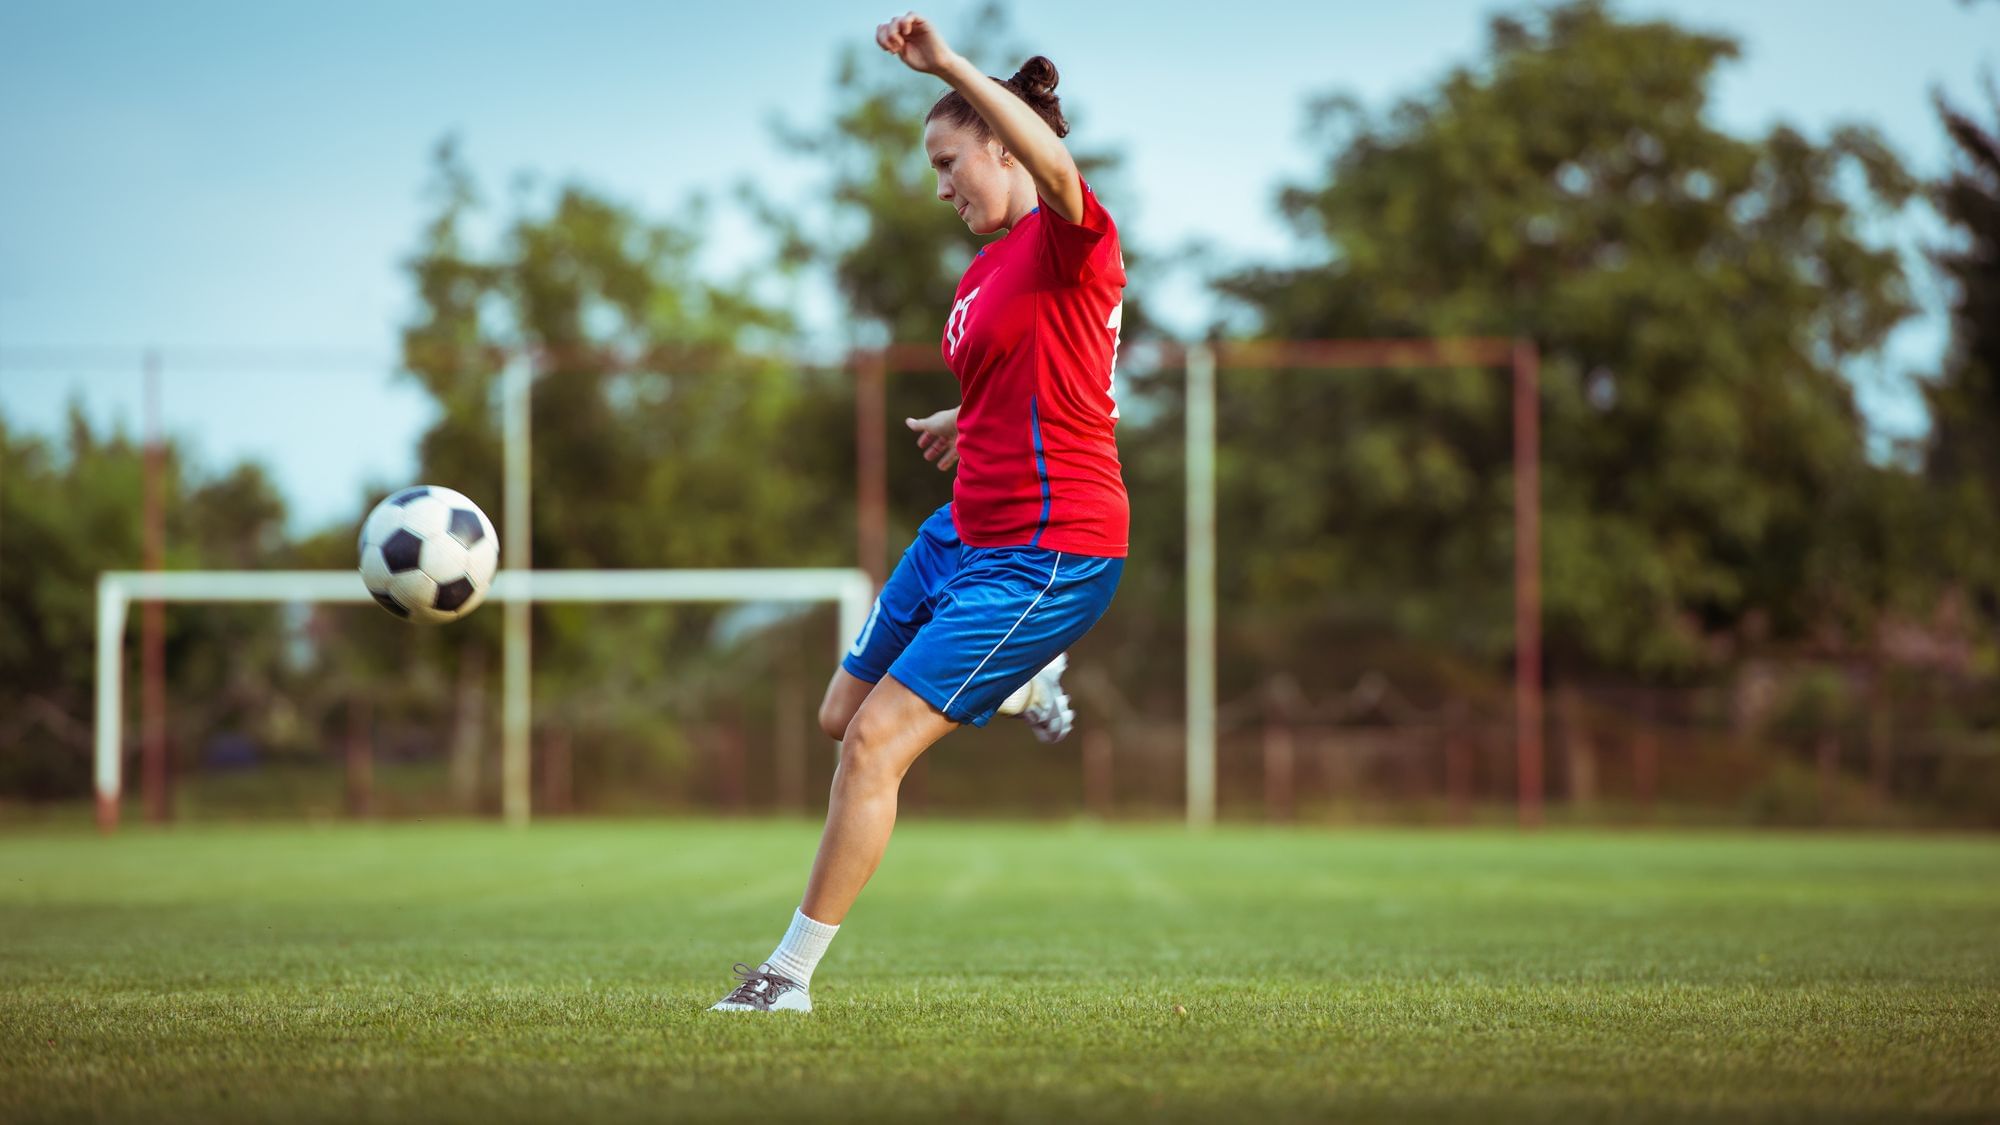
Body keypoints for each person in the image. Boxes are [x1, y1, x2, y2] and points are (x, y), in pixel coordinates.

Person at [712, 11, 1129, 1013]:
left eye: (950, 161)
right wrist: (967, 414)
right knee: (838, 718)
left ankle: (786, 978)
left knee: (876, 745)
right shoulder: (984, 268)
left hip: (1049, 550)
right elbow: (1040, 371)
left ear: (1001, 140)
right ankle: (1025, 684)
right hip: (961, 535)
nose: (941, 186)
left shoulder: (1072, 237)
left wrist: (945, 64)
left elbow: (1058, 175)